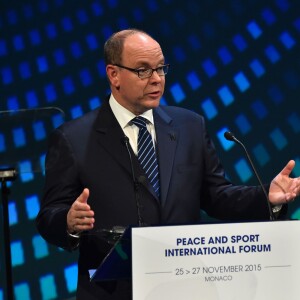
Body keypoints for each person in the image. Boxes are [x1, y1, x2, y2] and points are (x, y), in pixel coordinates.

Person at [36, 28, 300, 300]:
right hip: (114, 291)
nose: (156, 79)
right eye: (143, 70)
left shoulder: (190, 126)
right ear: (114, 74)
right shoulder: (73, 138)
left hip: (185, 287)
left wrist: (266, 196)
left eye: (161, 68)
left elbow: (217, 195)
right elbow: (48, 215)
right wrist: (68, 221)